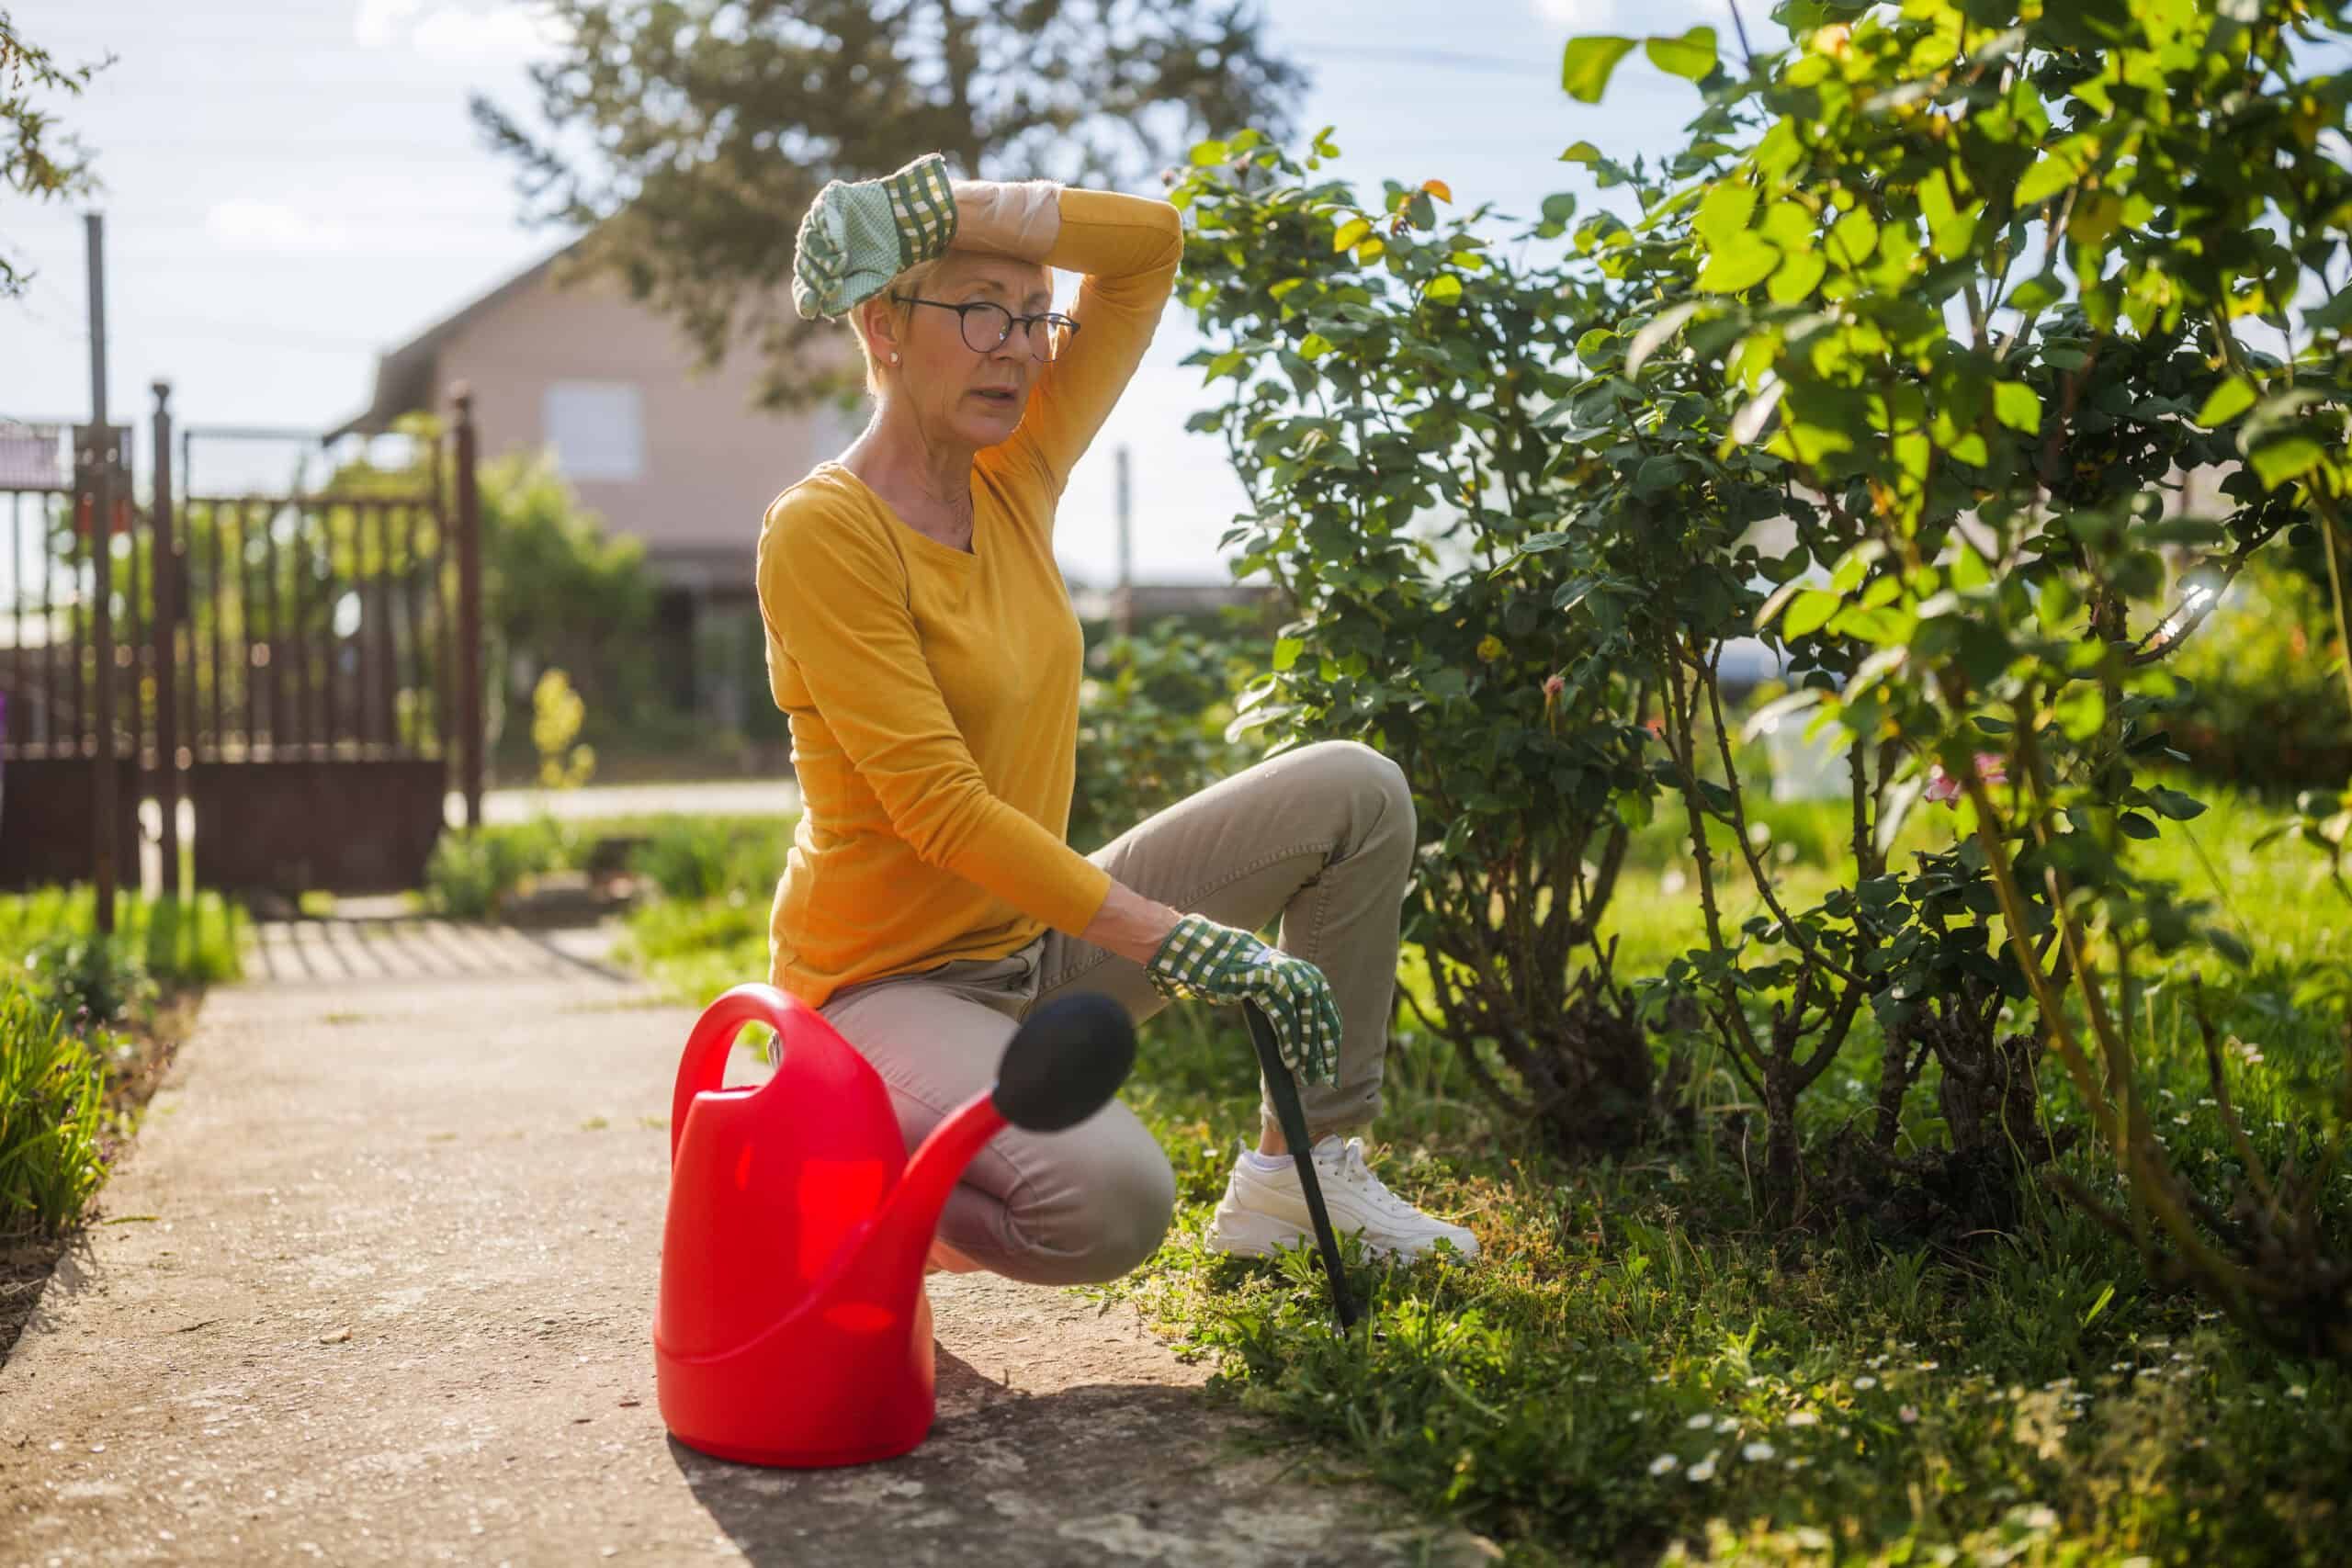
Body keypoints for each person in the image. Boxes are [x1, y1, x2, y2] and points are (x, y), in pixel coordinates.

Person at [758, 153, 1478, 1287]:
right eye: (980, 309)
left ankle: (1299, 1178)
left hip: (1030, 945)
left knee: (1353, 788)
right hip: (882, 990)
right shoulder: (822, 532)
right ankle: (863, 1197)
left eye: (1035, 316)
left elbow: (1147, 249)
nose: (1018, 344)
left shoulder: (1015, 468)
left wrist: (951, 211)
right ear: (881, 321)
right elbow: (940, 810)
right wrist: (1176, 939)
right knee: (1113, 1202)